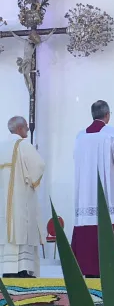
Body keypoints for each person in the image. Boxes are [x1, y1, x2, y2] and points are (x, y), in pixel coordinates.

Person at [71, 101, 114, 277]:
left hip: (85, 194)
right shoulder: (112, 134)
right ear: (107, 115)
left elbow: (76, 159)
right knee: (105, 224)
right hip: (105, 193)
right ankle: (108, 270)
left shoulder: (80, 136)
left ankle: (87, 271)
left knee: (86, 229)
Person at [0, 116, 45, 278]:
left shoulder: (1, 147)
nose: (27, 128)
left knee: (7, 233)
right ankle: (22, 269)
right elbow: (39, 166)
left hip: (4, 205)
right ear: (19, 129)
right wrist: (33, 180)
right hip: (21, 202)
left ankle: (8, 270)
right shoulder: (24, 146)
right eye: (26, 126)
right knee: (21, 231)